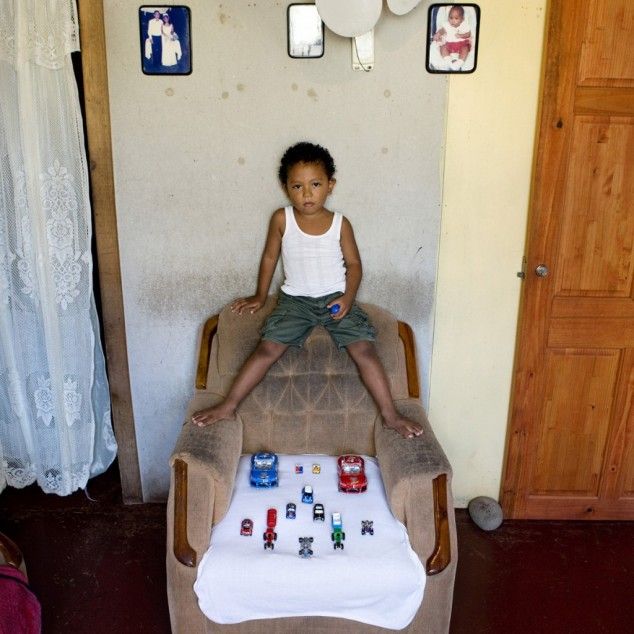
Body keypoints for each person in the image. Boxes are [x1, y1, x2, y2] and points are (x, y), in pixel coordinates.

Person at [191, 142, 423, 439]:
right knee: (266, 350)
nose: (307, 193)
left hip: (335, 300)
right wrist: (260, 295)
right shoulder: (282, 219)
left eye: (315, 184)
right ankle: (228, 406)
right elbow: (270, 258)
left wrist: (348, 299)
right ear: (286, 188)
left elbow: (354, 265)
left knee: (365, 351)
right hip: (295, 303)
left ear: (330, 185)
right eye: (297, 186)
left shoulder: (340, 224)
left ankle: (391, 416)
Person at [433, 5, 471, 70]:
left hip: (461, 43)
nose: (453, 20)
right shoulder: (447, 24)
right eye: (451, 17)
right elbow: (442, 30)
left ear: (462, 19)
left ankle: (459, 63)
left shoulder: (464, 25)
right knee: (443, 47)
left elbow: (468, 34)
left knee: (465, 49)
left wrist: (461, 35)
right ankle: (449, 62)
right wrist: (438, 33)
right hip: (449, 44)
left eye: (456, 18)